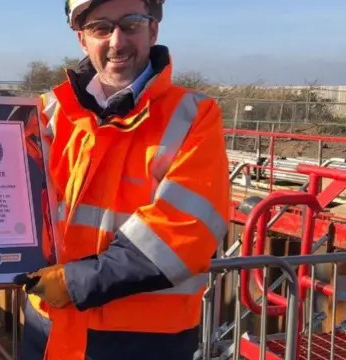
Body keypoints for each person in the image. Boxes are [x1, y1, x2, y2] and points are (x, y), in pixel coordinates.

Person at [13, 0, 231, 359]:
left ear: (153, 31)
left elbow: (184, 231)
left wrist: (78, 280)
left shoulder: (194, 115)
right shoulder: (47, 111)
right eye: (100, 28)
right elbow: (10, 202)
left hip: (144, 340)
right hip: (48, 328)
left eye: (130, 24)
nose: (116, 41)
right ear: (83, 40)